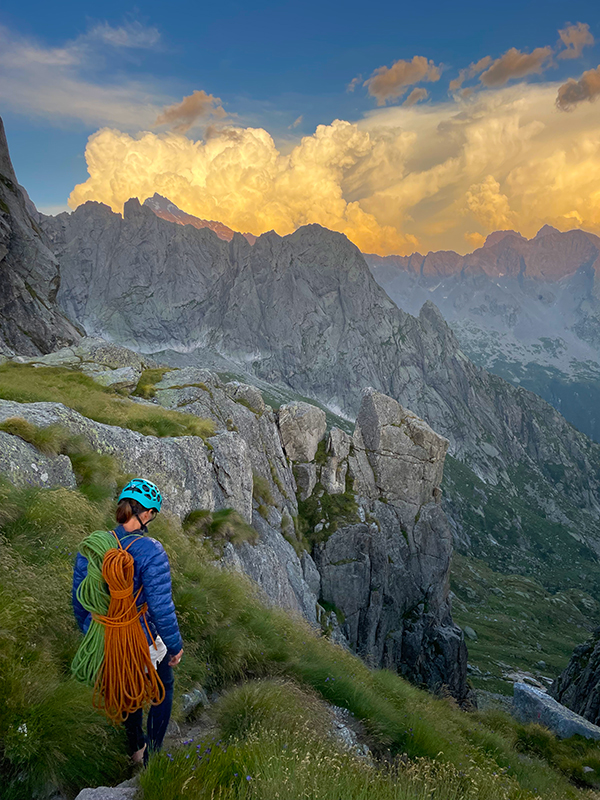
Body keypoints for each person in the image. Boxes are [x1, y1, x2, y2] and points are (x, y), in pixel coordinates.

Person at [72, 478, 184, 765]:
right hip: (138, 635)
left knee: (126, 684)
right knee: (163, 686)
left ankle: (135, 748)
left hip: (103, 633)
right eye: (153, 514)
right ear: (146, 514)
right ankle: (152, 758)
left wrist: (90, 631)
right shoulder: (151, 550)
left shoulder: (94, 545)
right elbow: (161, 607)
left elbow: (80, 600)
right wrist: (174, 646)